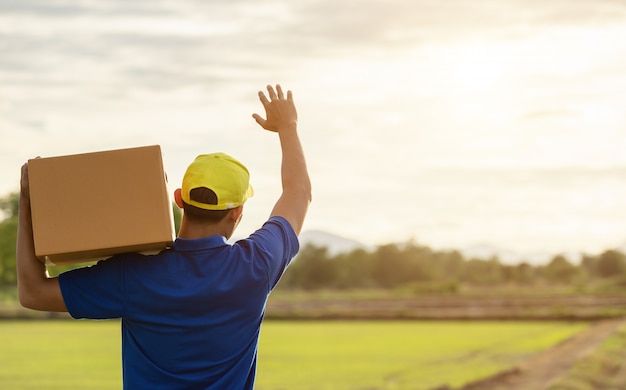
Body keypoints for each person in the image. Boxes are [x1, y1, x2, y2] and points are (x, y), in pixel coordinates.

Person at [16, 84, 312, 389]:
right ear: (237, 212)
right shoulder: (257, 265)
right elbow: (298, 193)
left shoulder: (133, 275)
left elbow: (32, 292)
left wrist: (29, 203)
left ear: (178, 199)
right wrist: (287, 127)